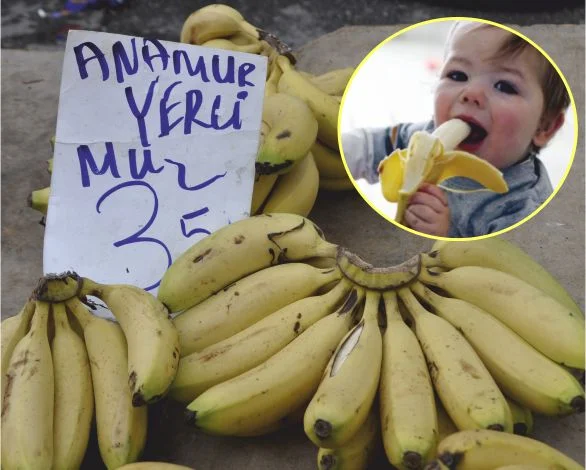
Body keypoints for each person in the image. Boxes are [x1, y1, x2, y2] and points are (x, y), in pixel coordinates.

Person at [342, 21, 571, 238]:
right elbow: (370, 147)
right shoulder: (422, 141)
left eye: (504, 86)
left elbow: (497, 269)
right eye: (457, 75)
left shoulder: (524, 207)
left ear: (545, 126)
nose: (471, 93)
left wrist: (447, 233)